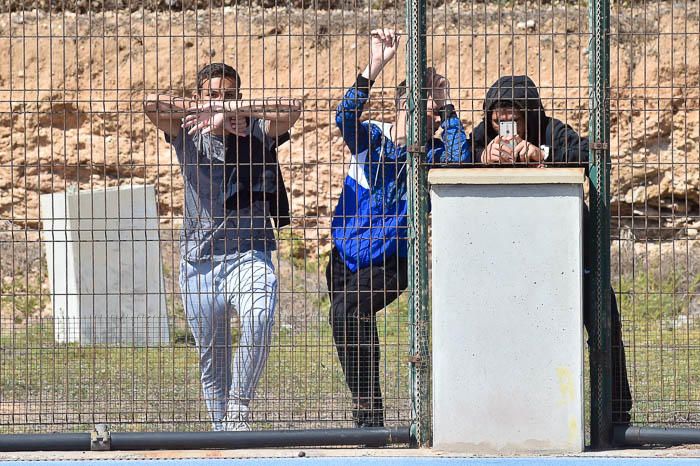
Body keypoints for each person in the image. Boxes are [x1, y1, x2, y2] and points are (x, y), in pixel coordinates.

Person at [143, 63, 301, 431]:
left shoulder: (255, 130)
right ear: (199, 97)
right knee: (213, 363)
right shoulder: (187, 131)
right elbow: (150, 106)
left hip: (250, 253)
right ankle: (224, 437)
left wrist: (235, 115)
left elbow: (293, 109)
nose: (221, 102)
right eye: (212, 95)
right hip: (199, 264)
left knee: (260, 318)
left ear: (239, 99)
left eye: (229, 96)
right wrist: (209, 116)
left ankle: (239, 411)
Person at [327, 28, 472, 428]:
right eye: (414, 104)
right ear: (398, 108)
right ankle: (369, 411)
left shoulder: (437, 154)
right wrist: (375, 65)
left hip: (394, 259)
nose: (422, 113)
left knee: (346, 312)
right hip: (343, 255)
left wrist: (447, 108)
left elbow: (461, 166)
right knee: (352, 327)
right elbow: (343, 117)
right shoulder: (374, 140)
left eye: (429, 108)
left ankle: (369, 415)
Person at [470, 75, 632, 425]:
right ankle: (514, 417)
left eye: (514, 116)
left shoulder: (550, 131)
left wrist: (540, 154)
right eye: (499, 118)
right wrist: (482, 158)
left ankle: (616, 417)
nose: (506, 125)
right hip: (506, 260)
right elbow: (449, 162)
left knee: (604, 318)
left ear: (531, 114)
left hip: (570, 251)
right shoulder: (481, 137)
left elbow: (590, 152)